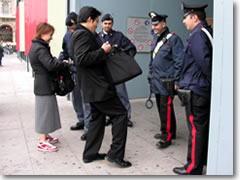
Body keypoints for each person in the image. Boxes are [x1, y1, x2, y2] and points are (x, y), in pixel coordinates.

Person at [70, 6, 131, 168]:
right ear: (89, 19)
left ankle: (89, 154)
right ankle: (115, 155)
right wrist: (103, 51)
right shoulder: (83, 34)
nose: (97, 25)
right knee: (121, 114)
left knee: (97, 119)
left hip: (91, 86)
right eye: (96, 21)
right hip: (98, 87)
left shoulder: (78, 34)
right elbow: (82, 59)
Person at [173, 2, 213, 175]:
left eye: (185, 18)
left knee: (196, 130)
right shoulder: (205, 32)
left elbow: (205, 64)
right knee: (201, 128)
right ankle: (201, 160)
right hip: (199, 88)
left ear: (194, 18)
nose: (183, 22)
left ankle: (193, 167)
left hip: (197, 90)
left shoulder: (197, 35)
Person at [29, 22, 70, 152]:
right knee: (44, 113)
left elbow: (49, 62)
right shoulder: (40, 48)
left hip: (44, 83)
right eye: (50, 34)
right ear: (42, 33)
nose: (51, 37)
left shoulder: (38, 46)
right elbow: (50, 65)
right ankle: (42, 142)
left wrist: (59, 62)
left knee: (48, 111)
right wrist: (64, 64)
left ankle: (45, 136)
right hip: (44, 85)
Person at [148, 11, 184, 148]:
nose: (154, 27)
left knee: (166, 109)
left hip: (167, 81)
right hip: (157, 80)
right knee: (162, 108)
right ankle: (170, 131)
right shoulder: (156, 39)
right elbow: (153, 60)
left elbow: (179, 62)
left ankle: (166, 136)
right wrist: (150, 76)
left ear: (164, 24)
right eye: (153, 24)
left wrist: (177, 81)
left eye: (156, 24)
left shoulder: (173, 39)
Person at [96, 13, 136, 128]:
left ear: (112, 24)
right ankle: (109, 117)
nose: (107, 25)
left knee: (122, 94)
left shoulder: (118, 36)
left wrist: (125, 63)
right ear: (102, 24)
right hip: (104, 72)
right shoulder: (97, 37)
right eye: (105, 23)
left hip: (117, 72)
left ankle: (127, 117)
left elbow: (131, 49)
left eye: (109, 23)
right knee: (107, 95)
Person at [58, 12, 91, 141]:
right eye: (69, 28)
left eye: (73, 27)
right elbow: (65, 51)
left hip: (86, 72)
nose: (71, 30)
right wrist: (60, 61)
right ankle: (81, 120)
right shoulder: (67, 36)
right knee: (76, 98)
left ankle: (88, 128)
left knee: (87, 101)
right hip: (74, 72)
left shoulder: (86, 34)